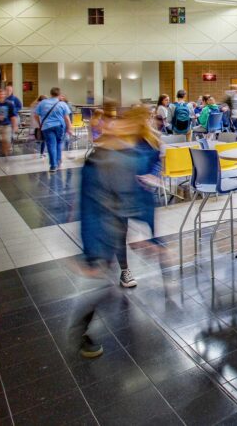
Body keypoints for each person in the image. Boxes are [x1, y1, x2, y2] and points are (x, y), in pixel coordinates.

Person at [70, 107, 165, 359]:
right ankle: (80, 329)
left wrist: (151, 235)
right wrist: (90, 252)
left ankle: (82, 327)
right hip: (103, 225)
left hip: (115, 219)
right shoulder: (101, 158)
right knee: (102, 281)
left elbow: (142, 191)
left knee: (104, 282)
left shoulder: (143, 148)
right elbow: (89, 204)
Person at [34, 87, 72, 172]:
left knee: (51, 145)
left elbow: (36, 115)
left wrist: (40, 123)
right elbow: (67, 118)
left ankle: (53, 166)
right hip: (59, 126)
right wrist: (69, 128)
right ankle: (58, 161)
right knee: (58, 143)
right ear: (59, 94)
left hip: (46, 126)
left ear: (50, 94)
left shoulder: (43, 103)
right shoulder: (62, 104)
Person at [0, 89, 18, 157]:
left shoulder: (9, 104)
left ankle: (6, 154)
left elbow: (13, 116)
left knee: (6, 141)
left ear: (5, 95)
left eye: (3, 94)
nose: (1, 96)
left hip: (6, 125)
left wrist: (15, 126)